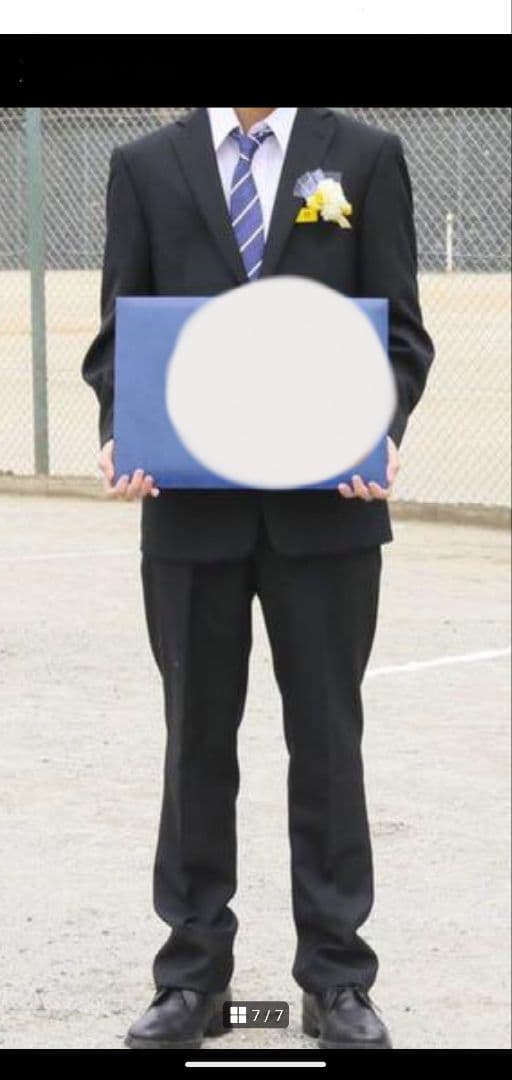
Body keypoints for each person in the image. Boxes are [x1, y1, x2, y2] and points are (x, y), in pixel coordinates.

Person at [81, 106, 434, 1051]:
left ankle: (337, 977)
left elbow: (402, 332)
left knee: (328, 743)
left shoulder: (364, 157)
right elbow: (118, 334)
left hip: (327, 514)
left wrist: (380, 427)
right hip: (190, 513)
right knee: (194, 741)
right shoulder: (144, 165)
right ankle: (192, 977)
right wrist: (121, 428)